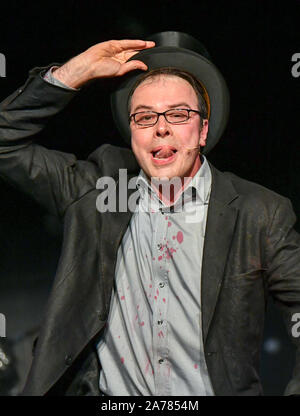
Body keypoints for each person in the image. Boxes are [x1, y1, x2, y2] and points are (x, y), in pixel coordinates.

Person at [0, 32, 299, 396]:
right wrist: (73, 73)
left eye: (178, 114)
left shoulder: (260, 213)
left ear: (203, 129)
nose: (160, 127)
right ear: (132, 134)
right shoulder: (97, 189)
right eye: (144, 118)